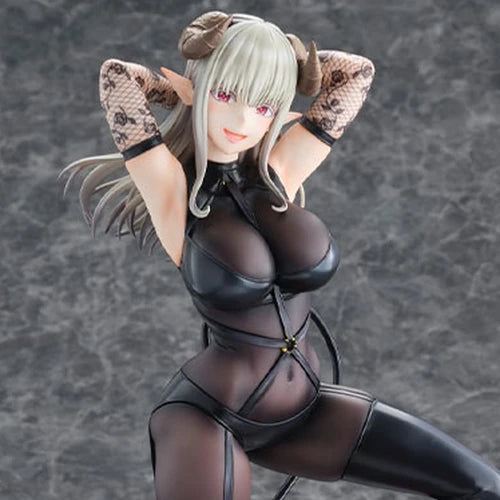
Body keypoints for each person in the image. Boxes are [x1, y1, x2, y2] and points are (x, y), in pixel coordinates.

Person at [59, 10, 500, 500]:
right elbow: (117, 76)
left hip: (305, 411)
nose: (243, 120)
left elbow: (357, 73)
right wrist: (187, 86)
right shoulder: (173, 191)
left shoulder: (279, 174)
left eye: (264, 104)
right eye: (226, 95)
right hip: (208, 415)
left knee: (483, 487)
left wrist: (281, 63)